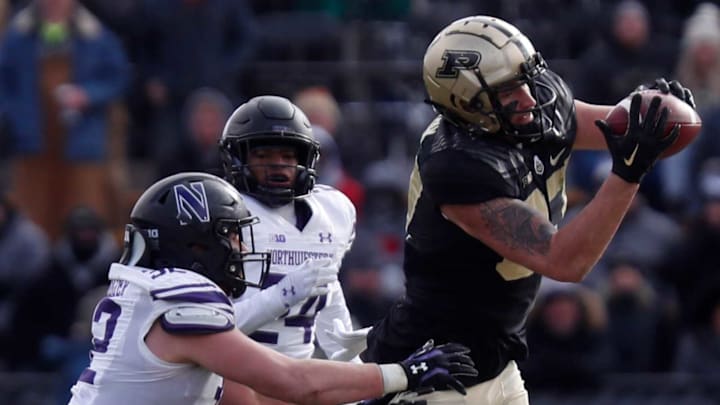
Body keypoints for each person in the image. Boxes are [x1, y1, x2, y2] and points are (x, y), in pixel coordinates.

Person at [359, 15, 696, 404]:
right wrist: (629, 173)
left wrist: (656, 116)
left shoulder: (534, 105)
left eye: (526, 78)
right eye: (508, 91)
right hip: (434, 370)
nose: (529, 98)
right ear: (466, 103)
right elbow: (565, 261)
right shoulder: (457, 165)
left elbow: (616, 128)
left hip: (496, 361)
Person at [67, 171, 477, 405]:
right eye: (230, 236)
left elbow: (252, 398)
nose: (241, 249)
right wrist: (403, 374)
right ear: (194, 244)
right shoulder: (182, 302)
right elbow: (295, 381)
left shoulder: (143, 294)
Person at [217, 95, 374, 403]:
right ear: (237, 158)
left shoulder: (332, 212)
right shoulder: (220, 213)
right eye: (264, 156)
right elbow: (204, 326)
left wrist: (352, 363)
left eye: (288, 156)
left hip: (300, 380)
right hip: (230, 380)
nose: (279, 167)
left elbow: (325, 294)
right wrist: (282, 295)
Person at [0, 0, 129, 240]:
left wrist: (87, 95)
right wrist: (14, 115)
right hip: (33, 144)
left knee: (85, 214)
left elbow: (119, 77)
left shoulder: (95, 35)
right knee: (33, 217)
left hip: (82, 143)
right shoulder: (18, 37)